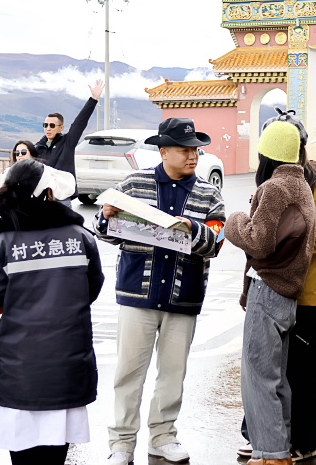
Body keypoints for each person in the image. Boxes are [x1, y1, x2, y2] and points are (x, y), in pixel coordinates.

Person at [94, 118, 226, 465]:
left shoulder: (209, 194)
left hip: (184, 297)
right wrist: (106, 217)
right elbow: (104, 231)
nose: (193, 156)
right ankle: (121, 443)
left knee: (173, 373)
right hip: (137, 294)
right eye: (185, 149)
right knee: (128, 373)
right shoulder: (134, 185)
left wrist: (191, 228)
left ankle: (163, 436)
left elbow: (216, 243)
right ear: (163, 150)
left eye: (196, 149)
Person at [0, 159, 104, 465]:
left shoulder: (2, 242)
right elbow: (91, 290)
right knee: (57, 449)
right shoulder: (81, 237)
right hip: (67, 367)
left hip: (20, 372)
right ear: (48, 194)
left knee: (23, 452)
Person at [238, 110, 316, 461]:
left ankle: (292, 444)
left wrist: (246, 228)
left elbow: (315, 240)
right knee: (280, 373)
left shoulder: (305, 185)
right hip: (295, 289)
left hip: (299, 292)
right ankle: (275, 441)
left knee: (290, 374)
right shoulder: (300, 183)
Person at [34, 79, 104, 206]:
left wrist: (93, 99)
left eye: (52, 125)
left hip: (61, 199)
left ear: (61, 127)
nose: (48, 128)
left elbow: (80, 123)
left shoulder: (67, 143)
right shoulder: (38, 148)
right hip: (42, 199)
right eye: (45, 125)